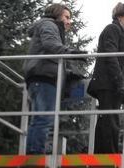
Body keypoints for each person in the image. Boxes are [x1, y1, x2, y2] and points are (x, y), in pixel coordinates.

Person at [23, 3, 86, 154]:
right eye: (67, 17)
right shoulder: (49, 25)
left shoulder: (49, 26)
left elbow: (51, 51)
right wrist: (71, 52)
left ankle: (33, 152)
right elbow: (50, 45)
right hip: (43, 76)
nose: (69, 21)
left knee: (40, 118)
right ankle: (35, 154)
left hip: (43, 75)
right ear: (57, 14)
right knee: (44, 118)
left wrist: (68, 73)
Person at [90, 3, 124, 153]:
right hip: (108, 83)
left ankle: (105, 152)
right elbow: (111, 57)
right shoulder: (112, 29)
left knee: (110, 118)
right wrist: (120, 83)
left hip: (114, 84)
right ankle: (108, 153)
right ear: (119, 16)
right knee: (109, 119)